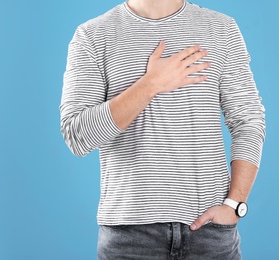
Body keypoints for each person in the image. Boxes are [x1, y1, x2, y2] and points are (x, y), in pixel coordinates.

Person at [59, 0, 266, 259]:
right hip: (129, 237)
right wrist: (150, 84)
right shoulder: (92, 35)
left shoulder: (221, 28)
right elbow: (78, 136)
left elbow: (248, 120)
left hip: (211, 234)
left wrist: (235, 204)